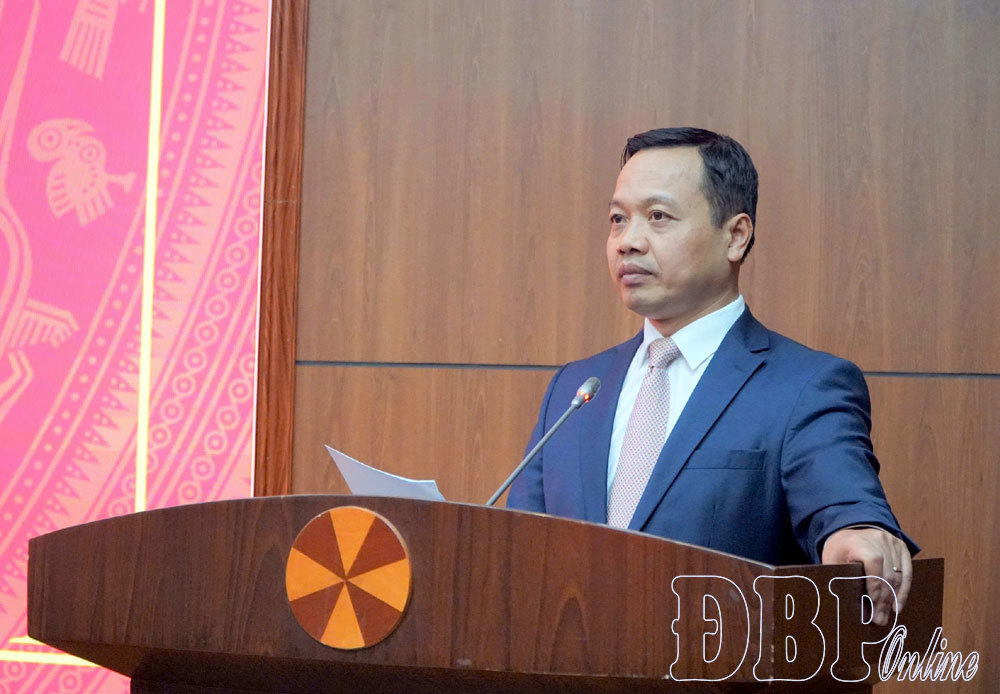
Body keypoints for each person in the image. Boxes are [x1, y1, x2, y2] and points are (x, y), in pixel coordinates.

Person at [507, 127, 918, 626]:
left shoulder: (805, 387)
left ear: (736, 236)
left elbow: (843, 501)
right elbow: (515, 548)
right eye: (618, 219)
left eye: (658, 217)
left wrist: (855, 532)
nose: (627, 242)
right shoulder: (576, 389)